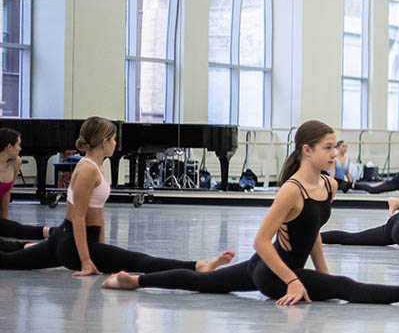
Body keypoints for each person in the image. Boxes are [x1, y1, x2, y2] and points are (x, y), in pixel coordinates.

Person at [103, 120, 399, 306]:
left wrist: (322, 275)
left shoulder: (328, 185)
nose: (334, 153)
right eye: (328, 148)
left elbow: (314, 235)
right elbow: (260, 240)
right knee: (347, 287)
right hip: (273, 275)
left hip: (276, 271)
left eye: (335, 147)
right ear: (307, 151)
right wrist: (292, 280)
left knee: (202, 283)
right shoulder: (292, 190)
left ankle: (133, 280)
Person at [0, 117, 234, 275]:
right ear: (104, 142)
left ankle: (197, 265)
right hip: (71, 243)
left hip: (66, 239)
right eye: (112, 139)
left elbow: (96, 215)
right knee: (140, 261)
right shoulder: (88, 168)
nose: (115, 144)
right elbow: (78, 217)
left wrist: (101, 251)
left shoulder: (92, 165)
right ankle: (198, 266)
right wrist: (86, 260)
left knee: (10, 261)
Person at [0, 127, 50, 250]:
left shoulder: (16, 162)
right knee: (8, 243)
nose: (20, 148)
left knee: (15, 228)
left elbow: (6, 193)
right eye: (18, 145)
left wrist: (5, 223)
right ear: (9, 147)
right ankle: (35, 246)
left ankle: (53, 232)